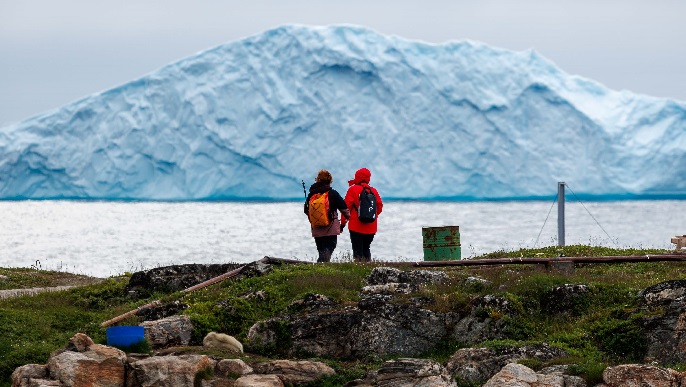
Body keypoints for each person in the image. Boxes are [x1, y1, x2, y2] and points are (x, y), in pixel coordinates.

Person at [304, 170, 350, 263]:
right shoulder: (332, 193)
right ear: (330, 180)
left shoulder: (311, 194)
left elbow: (306, 210)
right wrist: (345, 221)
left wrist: (315, 219)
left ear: (318, 180)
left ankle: (320, 270)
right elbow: (344, 209)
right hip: (331, 228)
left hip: (316, 228)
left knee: (321, 251)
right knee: (328, 250)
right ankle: (321, 270)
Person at [343, 168, 383, 262]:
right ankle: (368, 268)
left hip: (355, 226)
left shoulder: (353, 189)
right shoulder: (373, 191)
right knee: (366, 248)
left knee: (357, 251)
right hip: (371, 227)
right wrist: (372, 216)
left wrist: (343, 223)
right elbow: (379, 206)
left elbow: (346, 208)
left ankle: (358, 271)